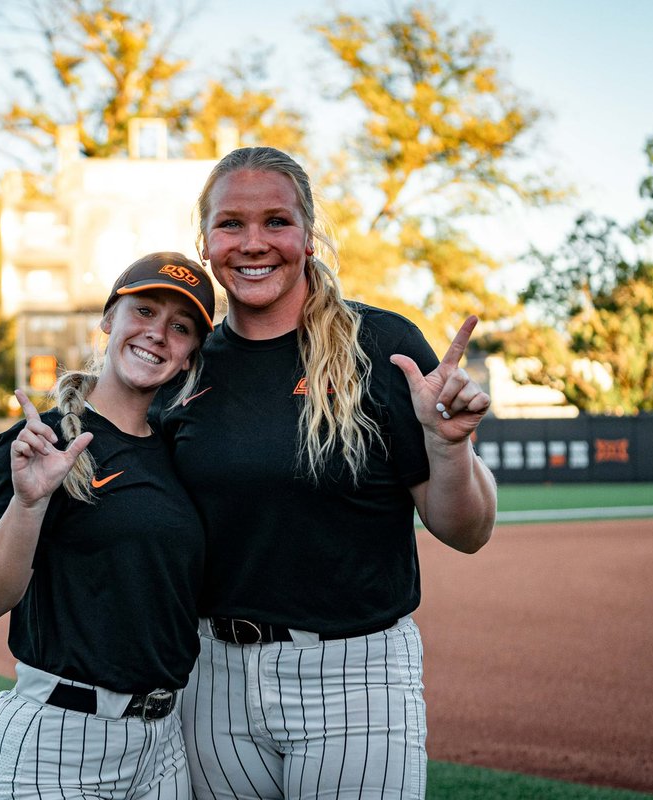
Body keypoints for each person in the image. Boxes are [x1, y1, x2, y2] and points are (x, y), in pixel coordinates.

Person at [157, 147, 497, 800]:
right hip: (211, 682)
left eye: (276, 221)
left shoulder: (382, 345)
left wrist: (449, 446)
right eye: (231, 223)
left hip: (354, 676)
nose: (254, 243)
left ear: (308, 235)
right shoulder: (183, 365)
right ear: (205, 243)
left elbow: (466, 531)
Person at [0, 252, 216, 800]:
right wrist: (28, 503)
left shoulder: (183, 451)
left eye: (181, 326)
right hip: (56, 739)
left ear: (192, 353)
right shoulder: (39, 442)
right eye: (143, 311)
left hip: (166, 742)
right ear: (108, 320)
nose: (158, 334)